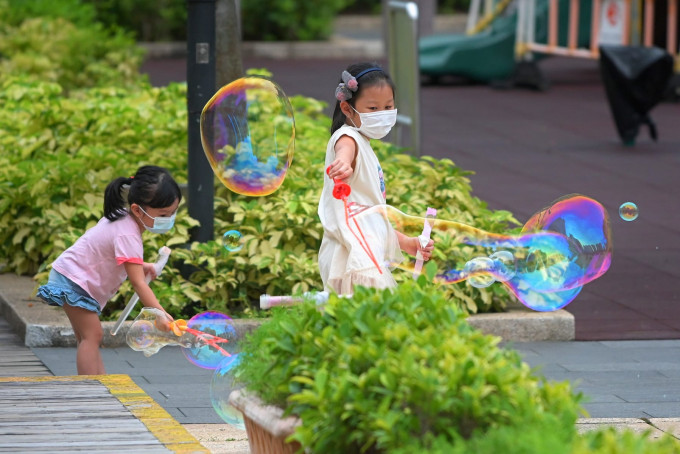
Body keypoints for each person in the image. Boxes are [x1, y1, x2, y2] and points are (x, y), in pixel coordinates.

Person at [37, 165, 180, 375]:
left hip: (72, 276)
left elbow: (113, 255)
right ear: (137, 210)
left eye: (173, 213)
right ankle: (88, 389)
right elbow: (138, 283)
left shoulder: (122, 218)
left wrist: (144, 266)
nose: (168, 219)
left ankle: (101, 384)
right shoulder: (128, 235)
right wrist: (159, 312)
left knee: (87, 337)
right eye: (163, 214)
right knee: (92, 336)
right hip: (74, 281)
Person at [318, 62, 435, 295]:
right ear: (347, 108)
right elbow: (344, 149)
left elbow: (370, 217)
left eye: (388, 107)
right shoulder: (348, 137)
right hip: (352, 256)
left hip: (361, 252)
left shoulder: (363, 142)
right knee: (372, 321)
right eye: (372, 108)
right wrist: (342, 161)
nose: (382, 114)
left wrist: (407, 243)